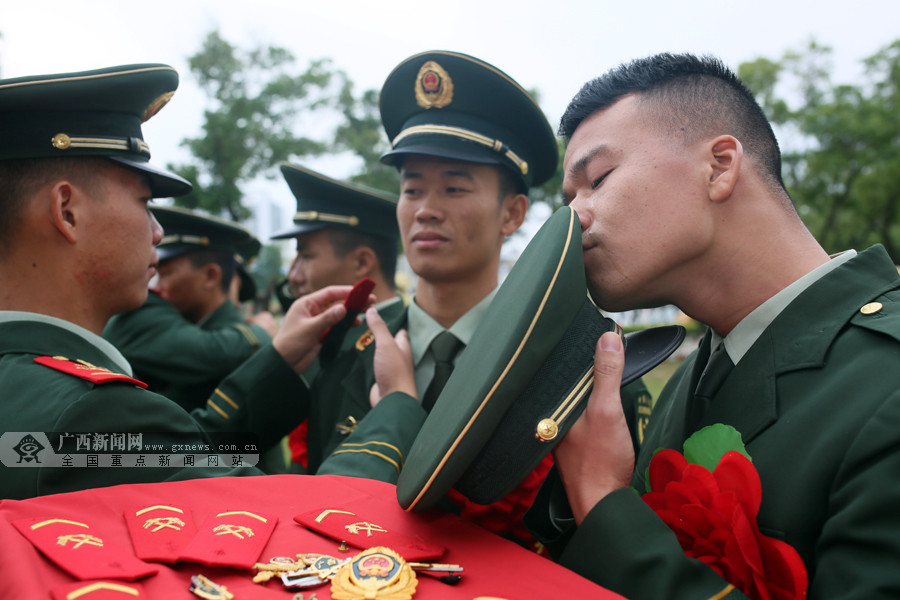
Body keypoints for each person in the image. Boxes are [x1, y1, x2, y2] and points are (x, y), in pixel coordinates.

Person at [522, 52, 900, 598]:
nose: (572, 218)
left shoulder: (885, 379)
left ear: (720, 165)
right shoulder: (689, 378)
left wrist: (605, 505)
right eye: (568, 198)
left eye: (598, 179)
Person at [313, 51, 652, 549]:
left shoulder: (586, 363)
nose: (426, 210)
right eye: (411, 190)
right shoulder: (346, 341)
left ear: (513, 214)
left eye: (454, 188)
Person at [0, 63, 357, 500]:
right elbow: (296, 526)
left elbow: (172, 456)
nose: (157, 232)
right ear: (67, 211)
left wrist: (277, 359)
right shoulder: (91, 409)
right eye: (144, 201)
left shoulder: (35, 393)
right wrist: (395, 411)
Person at [270, 162, 404, 472]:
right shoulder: (332, 335)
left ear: (362, 262)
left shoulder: (398, 342)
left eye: (306, 256)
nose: (294, 275)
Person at [103, 206, 276, 412]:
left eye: (166, 274)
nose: (157, 286)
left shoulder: (232, 342)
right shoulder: (232, 342)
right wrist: (261, 333)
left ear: (211, 276)